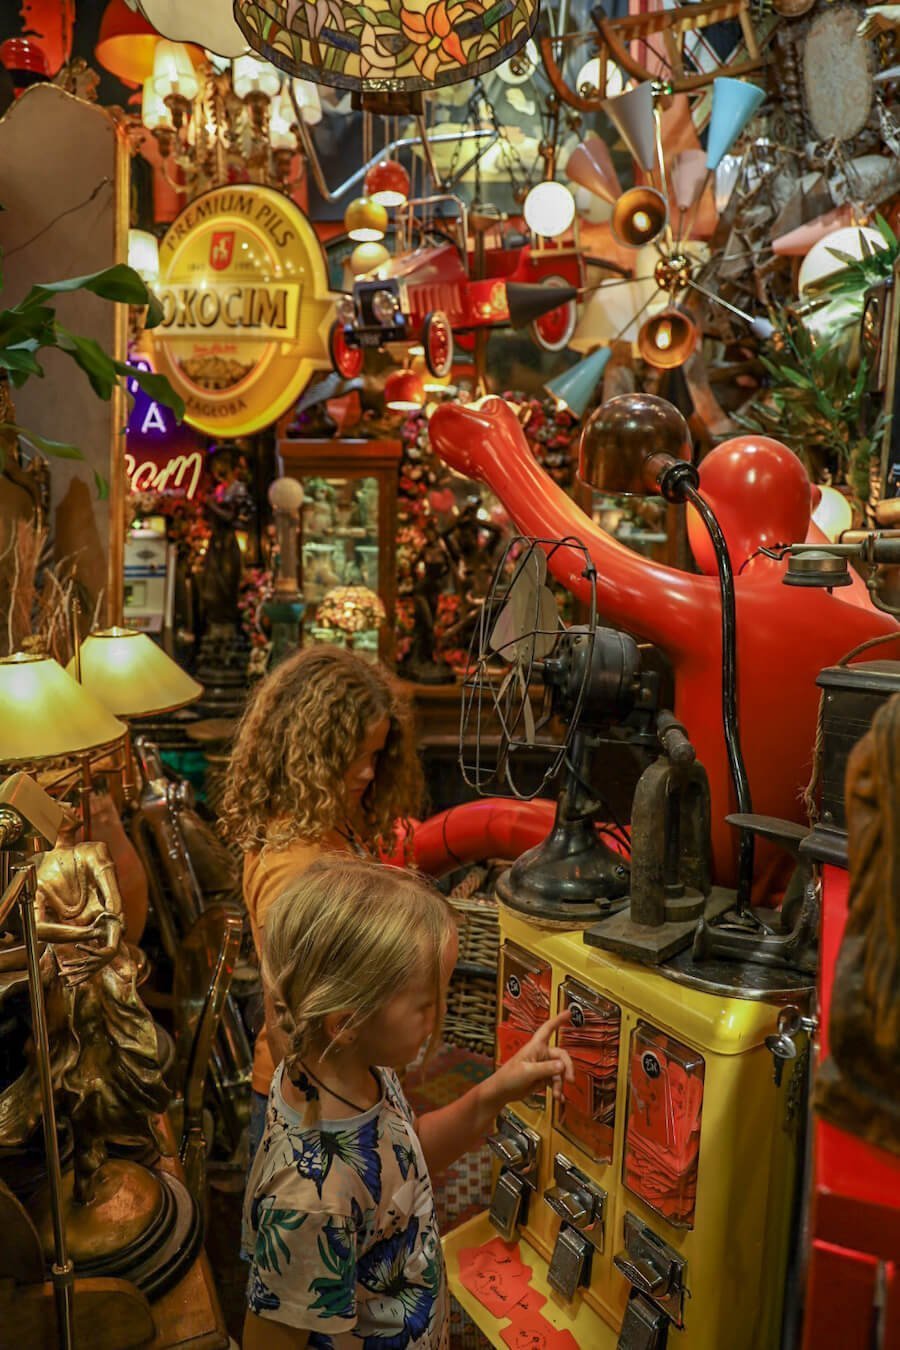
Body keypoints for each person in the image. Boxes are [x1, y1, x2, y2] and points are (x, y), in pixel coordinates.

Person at [242, 855, 573, 1349]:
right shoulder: (312, 1198)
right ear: (348, 1022)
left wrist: (497, 1091)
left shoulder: (354, 1075)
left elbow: (404, 1159)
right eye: (427, 1001)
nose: (442, 1011)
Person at [220, 646, 423, 1158]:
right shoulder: (294, 861)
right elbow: (289, 1021)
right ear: (310, 754)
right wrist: (333, 1123)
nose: (368, 774)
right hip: (315, 1106)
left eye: (376, 756)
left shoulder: (326, 820)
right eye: (355, 758)